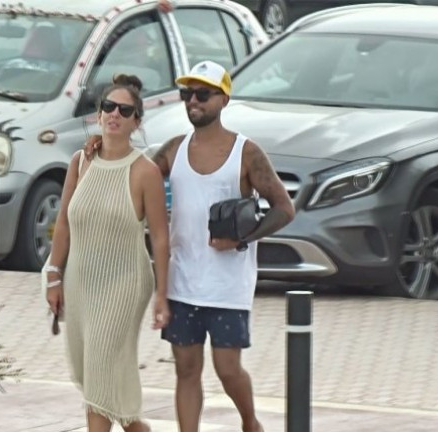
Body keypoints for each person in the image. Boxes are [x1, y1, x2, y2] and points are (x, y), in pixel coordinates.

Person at [85, 60, 295, 432]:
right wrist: (104, 144)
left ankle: (250, 423)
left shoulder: (245, 152)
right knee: (186, 370)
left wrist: (242, 238)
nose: (193, 101)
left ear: (224, 99)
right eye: (187, 94)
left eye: (203, 94)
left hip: (229, 286)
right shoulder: (174, 149)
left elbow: (284, 208)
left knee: (228, 370)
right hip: (183, 281)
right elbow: (132, 174)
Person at [45, 74, 171, 432]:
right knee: (95, 378)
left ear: (136, 122)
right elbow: (64, 224)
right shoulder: (80, 162)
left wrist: (163, 296)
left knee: (100, 374)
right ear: (98, 115)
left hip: (125, 284)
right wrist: (53, 277)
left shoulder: (145, 172)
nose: (114, 113)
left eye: (125, 110)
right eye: (108, 106)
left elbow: (160, 239)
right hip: (80, 282)